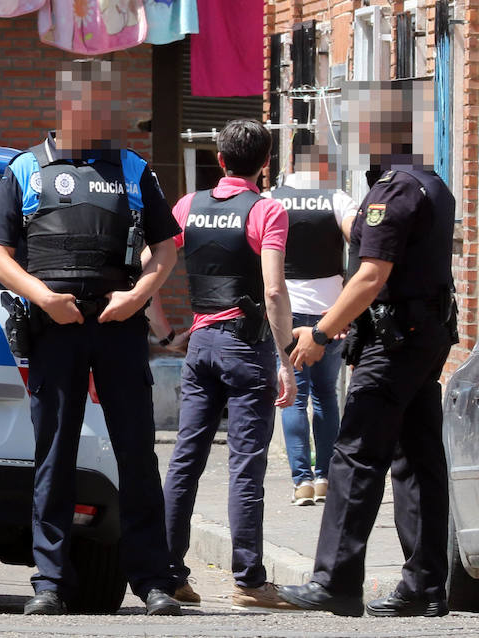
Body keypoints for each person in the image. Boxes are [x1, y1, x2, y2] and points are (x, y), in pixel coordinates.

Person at [0, 60, 183, 616]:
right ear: (64, 105)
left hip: (117, 327)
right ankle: (50, 582)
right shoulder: (27, 169)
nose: (101, 113)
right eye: (89, 103)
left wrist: (137, 299)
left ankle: (153, 581)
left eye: (105, 102)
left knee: (138, 456)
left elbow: (167, 246)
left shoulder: (133, 169)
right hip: (56, 329)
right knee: (54, 457)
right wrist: (43, 297)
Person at [280, 81, 456, 618]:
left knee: (355, 453)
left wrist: (321, 334)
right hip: (424, 337)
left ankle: (335, 580)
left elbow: (370, 277)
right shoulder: (432, 183)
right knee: (418, 455)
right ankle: (425, 586)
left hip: (394, 339)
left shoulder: (393, 190)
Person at [162, 120, 298, 609]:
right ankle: (249, 579)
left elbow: (148, 263)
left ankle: (169, 572)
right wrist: (287, 360)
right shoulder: (267, 211)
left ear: (219, 160)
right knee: (245, 466)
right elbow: (275, 289)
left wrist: (163, 331)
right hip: (247, 346)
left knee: (185, 459)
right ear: (265, 164)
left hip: (199, 345)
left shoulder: (187, 206)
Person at [267, 144, 357, 505]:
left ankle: (301, 481)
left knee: (293, 396)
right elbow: (364, 242)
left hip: (286, 312)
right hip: (329, 316)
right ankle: (325, 478)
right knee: (325, 398)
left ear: (292, 164)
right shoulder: (338, 199)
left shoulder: (271, 199)